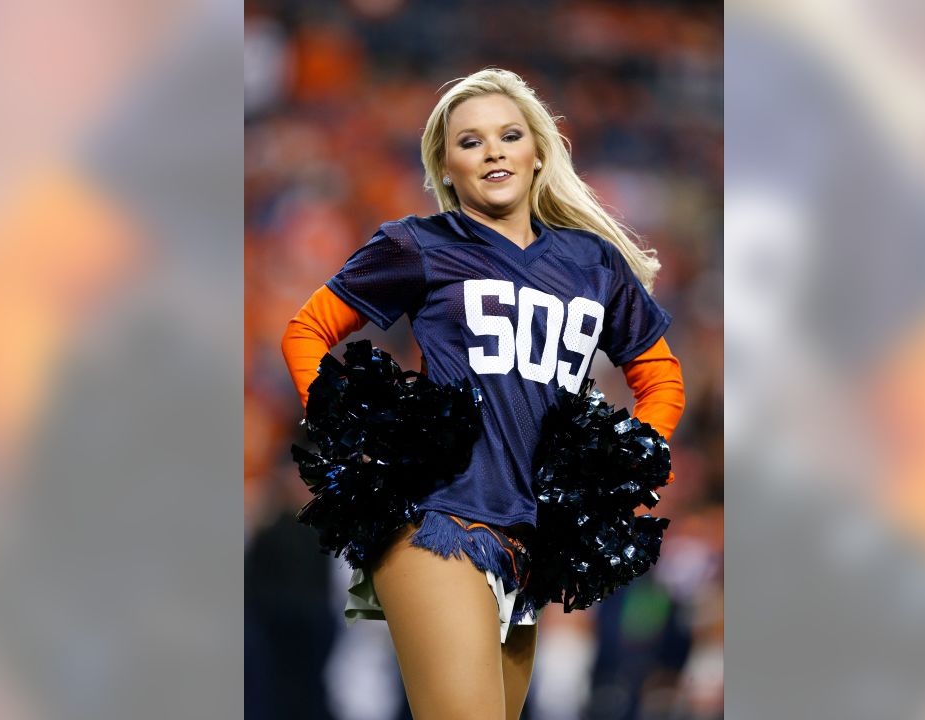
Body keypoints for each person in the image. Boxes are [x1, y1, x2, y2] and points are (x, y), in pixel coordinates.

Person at [281, 68, 685, 720]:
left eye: (508, 134)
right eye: (470, 141)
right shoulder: (420, 246)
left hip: (531, 544)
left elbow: (660, 379)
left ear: (538, 152)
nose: (492, 150)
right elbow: (307, 331)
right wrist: (353, 433)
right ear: (445, 165)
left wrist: (629, 461)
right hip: (437, 521)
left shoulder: (594, 264)